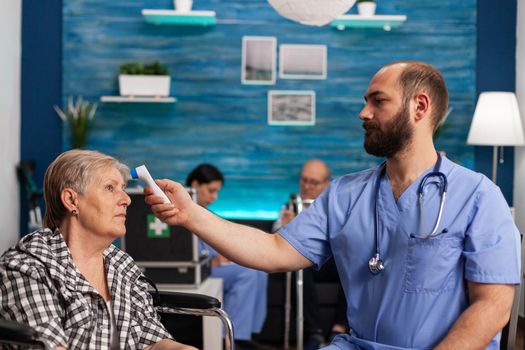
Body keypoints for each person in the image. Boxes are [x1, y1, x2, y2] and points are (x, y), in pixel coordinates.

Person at [145, 61, 521, 349]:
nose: (364, 113)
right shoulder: (345, 193)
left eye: (378, 101)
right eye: (365, 102)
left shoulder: (478, 196)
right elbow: (275, 250)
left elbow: (493, 307)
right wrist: (192, 214)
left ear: (419, 107)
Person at [0, 150, 194, 350]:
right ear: (72, 200)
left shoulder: (121, 264)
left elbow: (152, 341)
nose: (126, 199)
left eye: (123, 188)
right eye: (110, 188)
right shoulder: (26, 267)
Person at [186, 164, 269, 350]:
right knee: (246, 273)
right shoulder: (182, 214)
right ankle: (231, 338)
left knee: (260, 270)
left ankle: (245, 334)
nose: (214, 197)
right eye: (211, 191)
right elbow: (184, 253)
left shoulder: (205, 215)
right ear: (195, 184)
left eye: (217, 192)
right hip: (202, 272)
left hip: (215, 266)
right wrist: (212, 261)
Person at [273, 159, 348, 348]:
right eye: (304, 180)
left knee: (354, 268)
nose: (307, 186)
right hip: (304, 263)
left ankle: (339, 329)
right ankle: (314, 332)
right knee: (298, 270)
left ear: (327, 184)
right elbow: (274, 243)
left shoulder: (337, 206)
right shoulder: (290, 206)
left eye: (313, 182)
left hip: (332, 262)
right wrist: (287, 227)